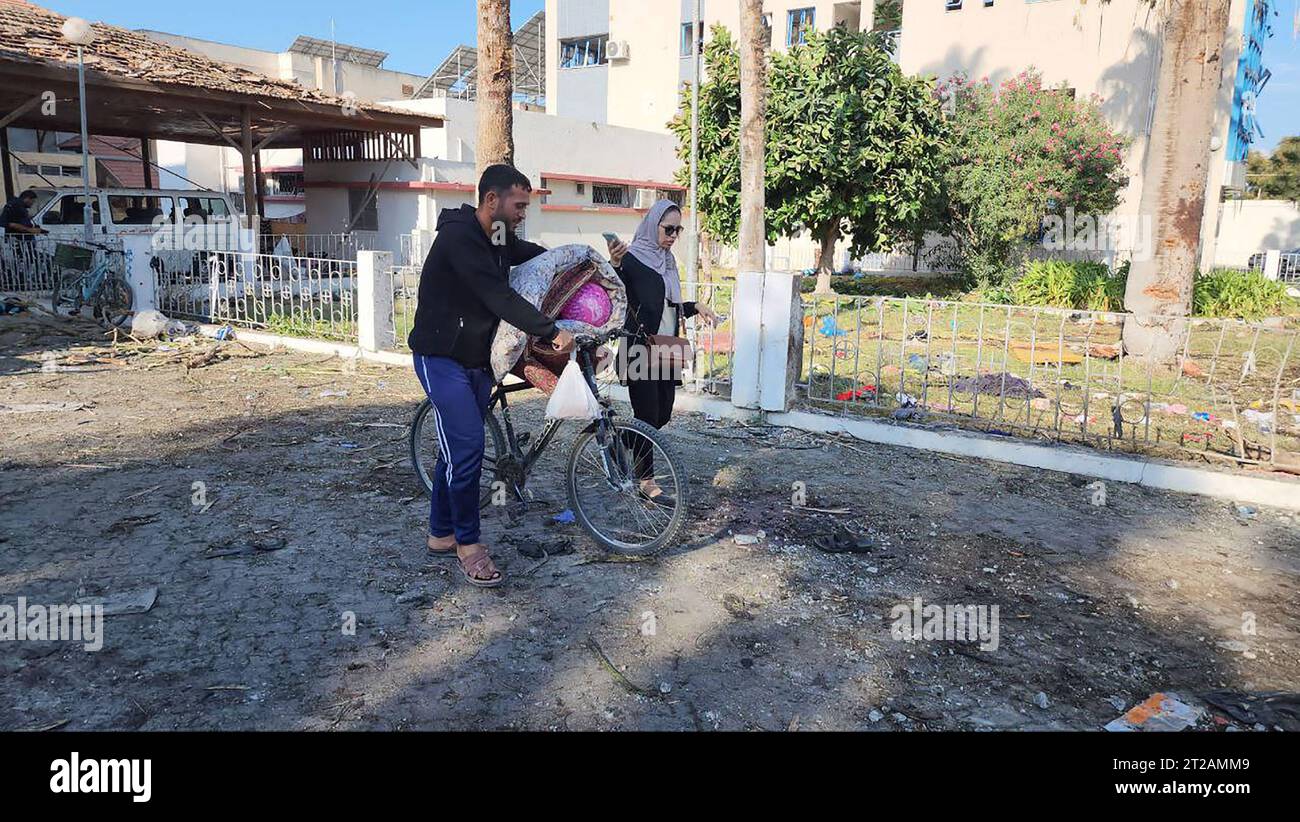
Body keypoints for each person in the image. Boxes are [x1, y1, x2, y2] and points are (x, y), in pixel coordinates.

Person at [408, 164, 573, 588]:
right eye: (518, 205)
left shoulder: (497, 238)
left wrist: (583, 262)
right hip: (440, 358)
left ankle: (440, 534)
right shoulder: (459, 239)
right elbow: (498, 296)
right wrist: (551, 331)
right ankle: (469, 545)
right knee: (467, 447)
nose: (522, 214)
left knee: (456, 454)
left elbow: (533, 255)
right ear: (491, 200)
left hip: (477, 363)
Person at [607, 200, 718, 499]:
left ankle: (618, 437)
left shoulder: (667, 263)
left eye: (677, 230)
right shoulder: (631, 259)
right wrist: (615, 264)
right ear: (652, 224)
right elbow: (615, 291)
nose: (672, 236)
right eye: (668, 229)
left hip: (667, 347)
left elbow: (667, 305)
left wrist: (695, 306)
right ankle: (646, 482)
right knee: (646, 415)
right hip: (639, 347)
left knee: (663, 415)